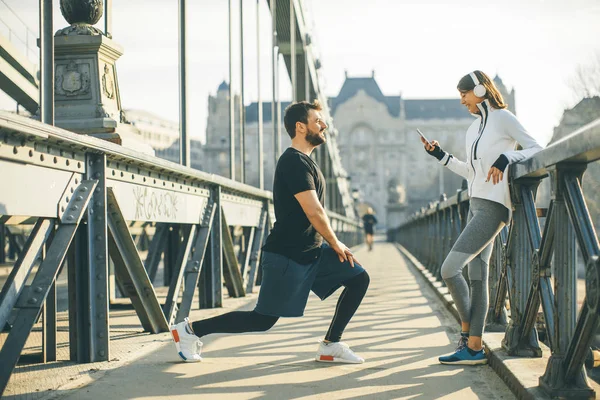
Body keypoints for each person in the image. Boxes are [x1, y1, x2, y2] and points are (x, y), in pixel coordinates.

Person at [170, 100, 370, 364]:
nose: (324, 125)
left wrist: (330, 243)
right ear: (301, 127)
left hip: (312, 252)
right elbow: (314, 211)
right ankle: (189, 330)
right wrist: (336, 242)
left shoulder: (307, 162)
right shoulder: (293, 162)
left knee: (358, 278)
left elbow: (315, 213)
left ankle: (331, 345)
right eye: (318, 121)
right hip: (287, 256)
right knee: (262, 320)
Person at [421, 71, 543, 365]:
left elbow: (536, 148)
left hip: (493, 206)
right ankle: (474, 347)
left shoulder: (504, 118)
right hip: (475, 204)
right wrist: (440, 156)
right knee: (478, 278)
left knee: (449, 269)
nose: (462, 100)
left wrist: (507, 158)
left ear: (479, 89)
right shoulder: (473, 129)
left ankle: (465, 336)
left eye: (464, 94)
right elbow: (471, 172)